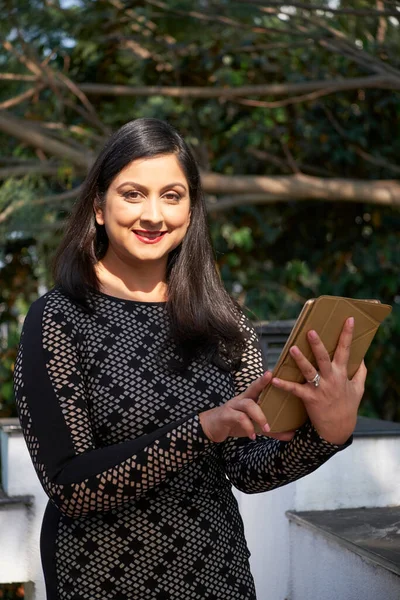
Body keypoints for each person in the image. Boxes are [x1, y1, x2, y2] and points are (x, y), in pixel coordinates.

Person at [13, 118, 366, 600]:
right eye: (133, 194)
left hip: (217, 573)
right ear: (98, 205)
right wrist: (204, 428)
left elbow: (247, 468)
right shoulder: (57, 319)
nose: (154, 215)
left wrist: (327, 434)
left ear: (192, 208)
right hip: (100, 579)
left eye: (172, 196)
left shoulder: (224, 322)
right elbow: (70, 486)